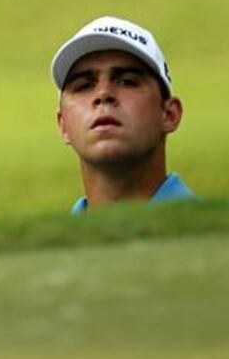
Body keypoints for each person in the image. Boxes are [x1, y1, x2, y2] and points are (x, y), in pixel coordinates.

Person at [51, 16, 197, 214]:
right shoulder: (55, 242)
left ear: (169, 114)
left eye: (127, 81)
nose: (103, 94)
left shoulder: (221, 236)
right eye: (84, 86)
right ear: (63, 125)